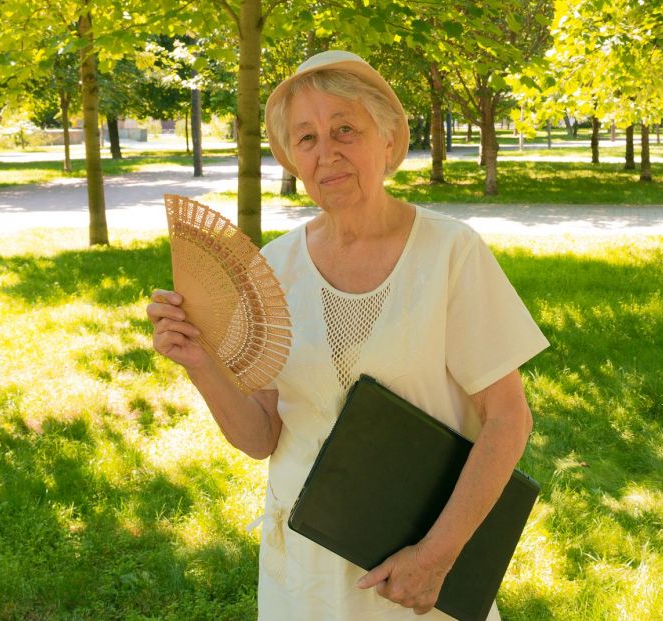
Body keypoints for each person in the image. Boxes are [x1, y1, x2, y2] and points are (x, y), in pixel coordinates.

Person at [147, 50, 549, 620]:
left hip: (414, 566)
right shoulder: (275, 267)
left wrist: (435, 557)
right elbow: (262, 436)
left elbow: (508, 419)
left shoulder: (450, 253)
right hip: (303, 570)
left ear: (387, 141)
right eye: (306, 138)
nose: (326, 153)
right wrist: (200, 363)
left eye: (345, 129)